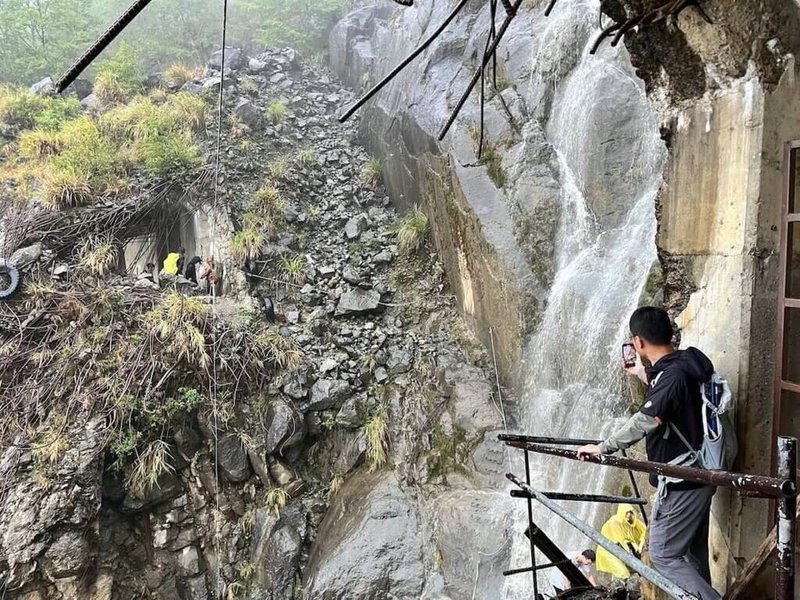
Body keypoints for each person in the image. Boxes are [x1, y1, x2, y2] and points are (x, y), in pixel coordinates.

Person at [577, 307, 721, 600]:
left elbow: (646, 419)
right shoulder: (680, 364)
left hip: (683, 479)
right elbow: (674, 400)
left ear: (638, 342)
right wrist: (643, 374)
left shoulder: (673, 376)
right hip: (698, 472)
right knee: (692, 556)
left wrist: (603, 447)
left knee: (664, 555)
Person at [596, 503, 647, 579]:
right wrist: (636, 551)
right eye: (626, 513)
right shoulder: (614, 522)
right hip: (608, 549)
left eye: (630, 512)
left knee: (633, 570)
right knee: (623, 572)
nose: (629, 515)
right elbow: (621, 540)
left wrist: (640, 546)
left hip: (622, 548)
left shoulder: (633, 521)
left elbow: (645, 530)